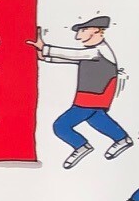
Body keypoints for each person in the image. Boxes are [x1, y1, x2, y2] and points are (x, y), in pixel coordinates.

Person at [36, 16, 133, 169]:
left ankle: (81, 146)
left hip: (92, 97)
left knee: (61, 126)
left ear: (96, 31)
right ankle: (122, 139)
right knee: (97, 120)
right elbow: (70, 59)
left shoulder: (98, 51)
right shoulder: (92, 53)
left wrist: (45, 48)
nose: (78, 36)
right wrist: (44, 56)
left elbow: (74, 55)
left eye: (82, 31)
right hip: (91, 97)